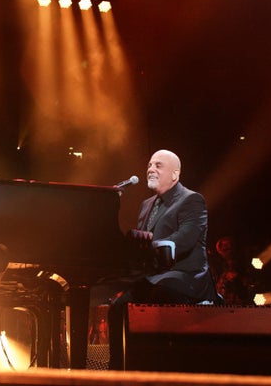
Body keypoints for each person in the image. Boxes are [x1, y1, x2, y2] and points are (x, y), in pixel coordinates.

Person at [106, 149, 220, 370]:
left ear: (175, 174)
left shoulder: (192, 199)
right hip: (155, 276)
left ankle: (163, 369)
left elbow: (184, 239)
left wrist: (151, 244)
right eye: (149, 165)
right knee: (117, 307)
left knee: (161, 294)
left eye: (158, 165)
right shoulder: (147, 204)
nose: (150, 169)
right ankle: (118, 372)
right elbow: (143, 243)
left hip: (186, 276)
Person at [210, 235, 256, 305]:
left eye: (230, 245)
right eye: (225, 245)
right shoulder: (217, 265)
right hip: (222, 304)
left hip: (239, 303)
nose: (228, 247)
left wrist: (239, 278)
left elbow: (249, 282)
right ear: (219, 249)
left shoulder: (243, 263)